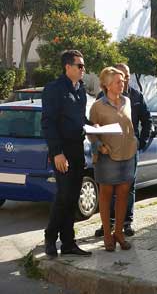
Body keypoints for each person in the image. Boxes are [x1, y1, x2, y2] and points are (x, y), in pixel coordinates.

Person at [41, 50, 92, 257]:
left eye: (83, 66)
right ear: (68, 67)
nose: (83, 70)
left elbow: (80, 119)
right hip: (62, 150)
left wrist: (92, 125)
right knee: (63, 195)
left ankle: (69, 242)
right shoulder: (54, 89)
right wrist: (56, 153)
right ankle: (50, 237)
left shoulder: (80, 90)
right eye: (79, 66)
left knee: (73, 197)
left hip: (77, 149)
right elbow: (48, 123)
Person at [94, 63, 152, 237]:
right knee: (108, 189)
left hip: (129, 151)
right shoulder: (100, 98)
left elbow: (147, 121)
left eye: (126, 76)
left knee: (128, 188)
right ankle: (108, 224)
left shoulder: (135, 97)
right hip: (108, 151)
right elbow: (94, 125)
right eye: (120, 77)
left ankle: (126, 223)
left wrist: (141, 142)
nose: (124, 80)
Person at [89, 67, 137, 251]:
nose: (122, 83)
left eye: (123, 81)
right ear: (107, 85)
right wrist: (99, 146)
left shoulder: (127, 101)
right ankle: (107, 235)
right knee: (106, 196)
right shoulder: (97, 106)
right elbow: (91, 133)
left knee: (124, 195)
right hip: (107, 157)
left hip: (127, 155)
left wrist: (134, 141)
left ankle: (119, 232)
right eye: (118, 81)